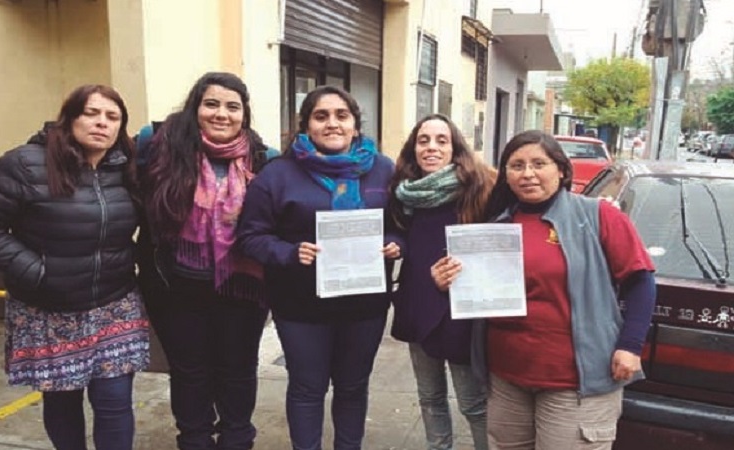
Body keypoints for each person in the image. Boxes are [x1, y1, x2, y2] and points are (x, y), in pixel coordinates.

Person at [432, 130, 656, 450]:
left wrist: (631, 346)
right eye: (516, 165)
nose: (528, 174)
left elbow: (640, 281)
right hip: (507, 377)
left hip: (575, 382)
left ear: (561, 170)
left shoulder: (597, 216)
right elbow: (479, 295)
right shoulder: (497, 226)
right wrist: (447, 283)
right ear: (506, 175)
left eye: (539, 163)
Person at [0, 85, 149, 450]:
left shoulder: (126, 169)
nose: (102, 124)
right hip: (49, 307)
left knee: (114, 402)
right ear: (70, 118)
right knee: (63, 401)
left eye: (113, 118)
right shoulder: (24, 163)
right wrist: (36, 272)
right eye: (91, 113)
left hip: (114, 303)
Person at [237, 85, 401, 450]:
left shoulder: (382, 169)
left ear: (355, 125)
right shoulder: (278, 175)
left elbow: (402, 224)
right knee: (307, 388)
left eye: (341, 116)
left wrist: (395, 244)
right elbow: (250, 237)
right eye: (321, 116)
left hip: (364, 303)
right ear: (306, 125)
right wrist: (290, 252)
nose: (332, 124)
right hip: (301, 306)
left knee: (353, 387)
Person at [137, 72, 276, 450]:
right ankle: (195, 440)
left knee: (238, 370)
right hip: (175, 286)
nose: (222, 114)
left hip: (242, 287)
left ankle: (236, 439)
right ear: (195, 106)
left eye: (232, 106)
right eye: (211, 103)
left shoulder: (265, 158)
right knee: (189, 373)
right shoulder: (158, 145)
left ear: (244, 114)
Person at [388, 114, 494, 450]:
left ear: (454, 148)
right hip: (417, 304)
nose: (431, 147)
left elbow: (500, 247)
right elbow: (399, 234)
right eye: (423, 140)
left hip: (461, 312)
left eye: (441, 140)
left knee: (473, 403)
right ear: (413, 147)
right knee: (430, 397)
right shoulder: (404, 192)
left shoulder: (480, 188)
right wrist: (396, 245)